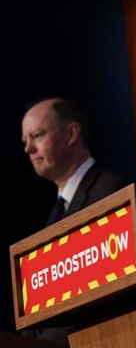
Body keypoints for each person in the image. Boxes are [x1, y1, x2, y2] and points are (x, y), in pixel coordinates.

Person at [20, 98, 128, 344]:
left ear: (71, 133)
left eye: (36, 135)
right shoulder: (56, 213)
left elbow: (104, 294)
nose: (28, 149)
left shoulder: (109, 190)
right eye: (24, 140)